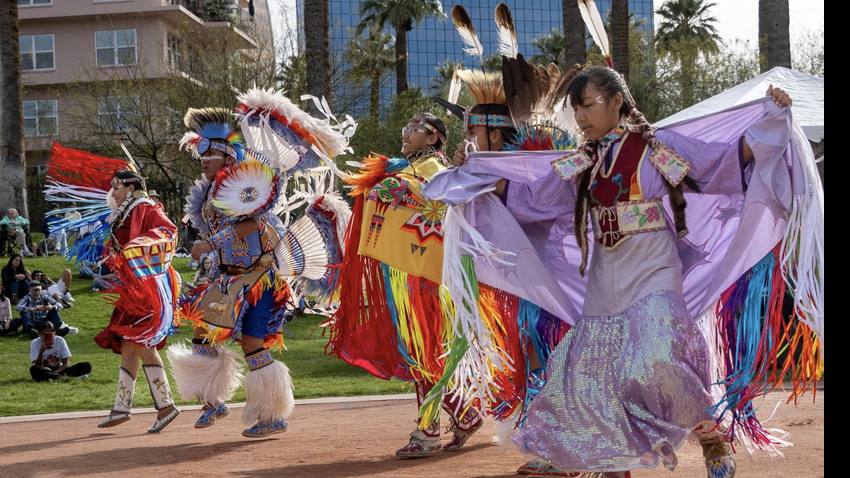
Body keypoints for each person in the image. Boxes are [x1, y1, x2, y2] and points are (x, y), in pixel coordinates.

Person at [168, 92, 349, 438]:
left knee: (253, 343)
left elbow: (254, 223)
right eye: (200, 153)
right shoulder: (210, 192)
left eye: (209, 153)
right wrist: (211, 254)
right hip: (228, 278)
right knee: (202, 334)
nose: (203, 159)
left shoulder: (251, 183)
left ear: (227, 153)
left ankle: (272, 415)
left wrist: (213, 243)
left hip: (261, 279)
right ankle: (213, 401)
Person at [329, 110, 490, 458]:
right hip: (408, 277)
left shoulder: (434, 167)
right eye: (406, 126)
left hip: (429, 280)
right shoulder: (409, 167)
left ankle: (431, 429)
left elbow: (427, 192)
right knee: (419, 353)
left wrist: (396, 184)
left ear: (433, 137)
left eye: (415, 128)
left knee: (424, 351)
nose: (406, 132)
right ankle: (463, 413)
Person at [92, 169, 181, 432]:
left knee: (141, 341)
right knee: (127, 344)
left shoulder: (147, 207)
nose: (113, 193)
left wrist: (138, 246)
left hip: (147, 287)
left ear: (130, 188)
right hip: (133, 286)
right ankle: (121, 407)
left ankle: (166, 406)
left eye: (116, 187)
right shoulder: (126, 212)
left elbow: (168, 231)